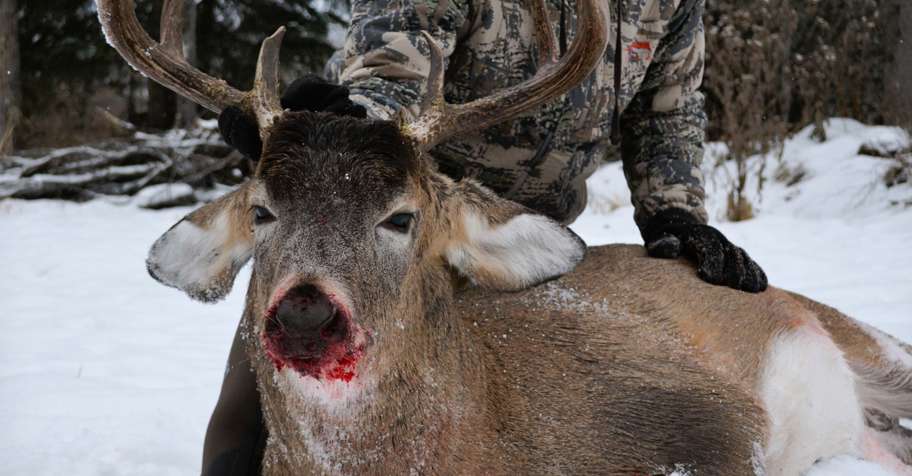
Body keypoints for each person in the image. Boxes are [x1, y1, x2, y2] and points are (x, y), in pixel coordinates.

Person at [207, 0, 767, 473]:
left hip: (512, 236)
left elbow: (667, 106)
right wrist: (351, 124)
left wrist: (676, 214)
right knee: (254, 414)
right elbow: (397, 54)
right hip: (397, 223)